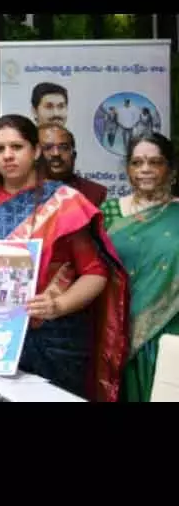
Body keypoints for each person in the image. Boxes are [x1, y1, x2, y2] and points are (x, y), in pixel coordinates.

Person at [0, 114, 129, 402]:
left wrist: (58, 305)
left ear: (36, 151)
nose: (8, 156)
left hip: (56, 338)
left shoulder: (65, 202)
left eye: (17, 147)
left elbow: (95, 272)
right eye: (0, 149)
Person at [100, 133, 179, 402]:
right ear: (127, 169)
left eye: (155, 162)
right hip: (117, 330)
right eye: (137, 162)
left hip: (170, 328)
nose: (145, 169)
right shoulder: (108, 212)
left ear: (170, 169)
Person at [37, 122, 107, 207]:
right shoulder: (21, 190)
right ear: (34, 154)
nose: (56, 153)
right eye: (47, 148)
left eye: (63, 147)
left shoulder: (95, 193)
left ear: (74, 155)